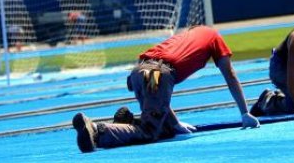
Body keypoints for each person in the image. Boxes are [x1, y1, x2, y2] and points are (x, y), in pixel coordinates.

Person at [72, 25, 260, 152]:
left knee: (167, 129)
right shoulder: (214, 37)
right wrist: (244, 112)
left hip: (140, 71)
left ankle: (127, 122)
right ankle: (97, 130)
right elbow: (230, 74)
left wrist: (176, 123)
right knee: (149, 133)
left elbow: (145, 79)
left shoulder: (183, 36)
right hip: (158, 74)